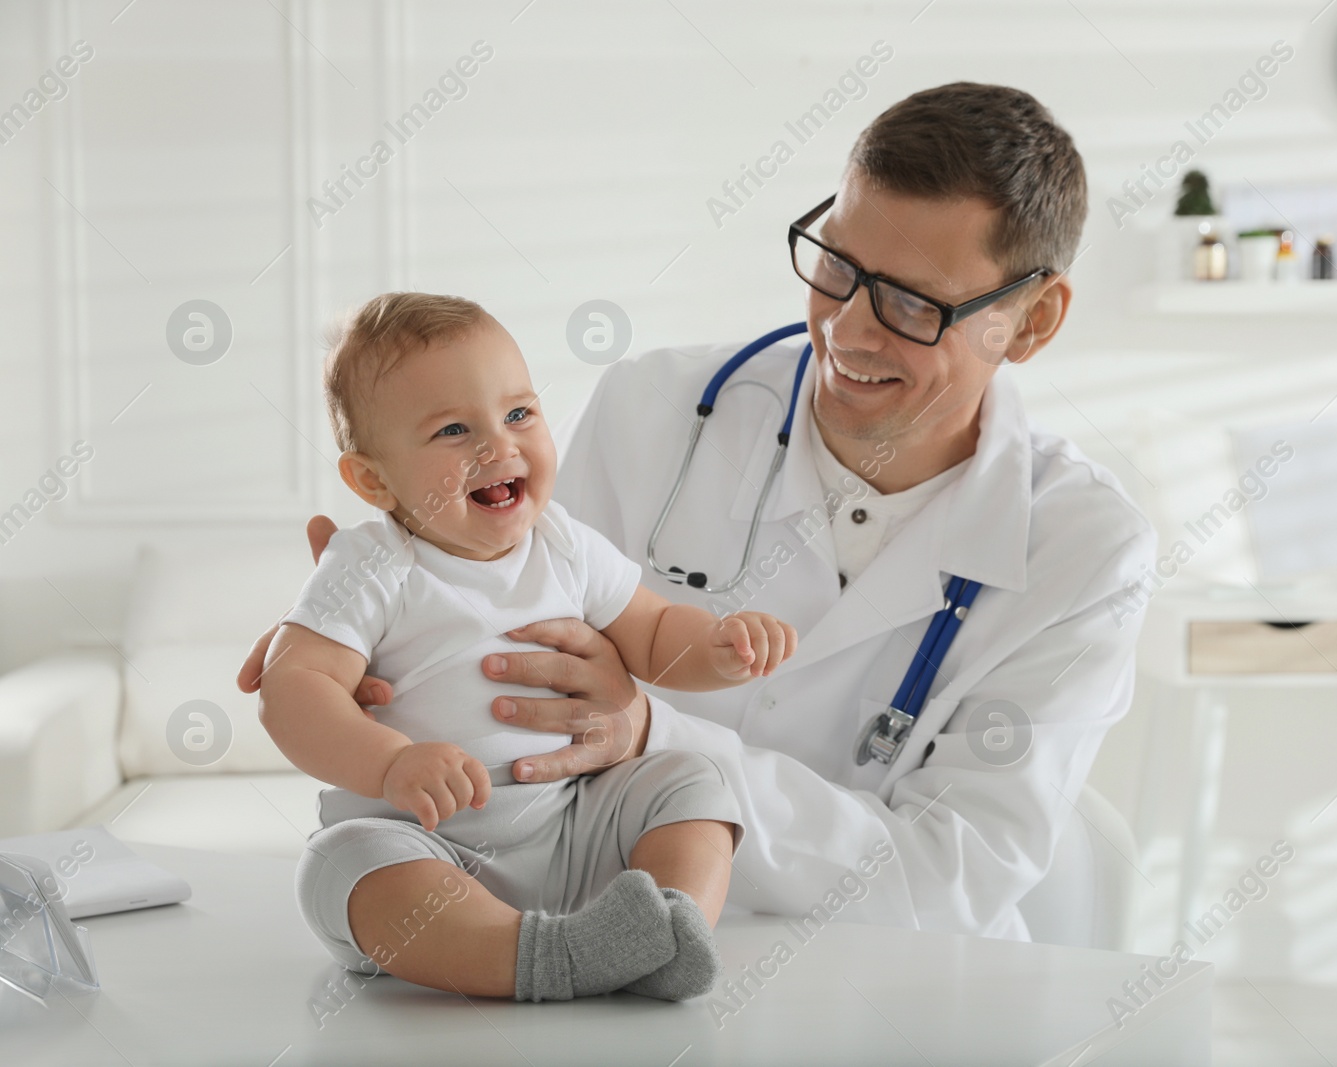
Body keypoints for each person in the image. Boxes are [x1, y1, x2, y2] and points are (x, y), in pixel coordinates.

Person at [242, 81, 1155, 944]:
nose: (845, 329)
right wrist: (373, 614)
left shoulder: (1086, 550)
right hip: (586, 946)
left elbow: (949, 876)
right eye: (838, 266)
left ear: (1031, 323)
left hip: (896, 987)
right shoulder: (656, 407)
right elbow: (497, 630)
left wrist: (650, 730)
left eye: (914, 304)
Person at [258, 292, 798, 1001]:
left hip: (574, 829)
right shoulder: (371, 564)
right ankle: (549, 958)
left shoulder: (563, 544)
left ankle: (667, 924)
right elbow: (291, 691)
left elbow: (655, 633)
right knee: (343, 867)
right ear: (374, 479)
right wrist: (392, 764)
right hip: (425, 845)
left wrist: (718, 647)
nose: (498, 445)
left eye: (518, 413)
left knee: (693, 782)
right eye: (454, 429)